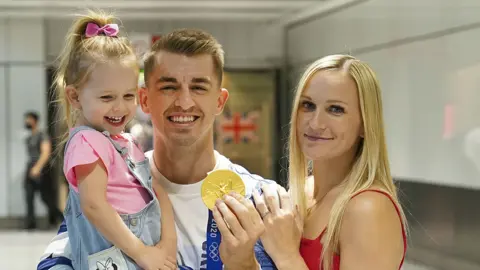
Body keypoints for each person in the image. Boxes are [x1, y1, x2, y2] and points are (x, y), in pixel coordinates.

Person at [38, 27, 278, 270]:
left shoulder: (262, 200)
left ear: (219, 101)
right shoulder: (113, 179)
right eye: (168, 87)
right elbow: (59, 258)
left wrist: (246, 264)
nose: (184, 102)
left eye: (198, 87)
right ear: (143, 100)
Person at [47, 11, 177, 270]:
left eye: (128, 96)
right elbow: (93, 205)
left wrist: (168, 245)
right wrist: (142, 252)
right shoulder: (87, 142)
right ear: (74, 97)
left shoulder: (125, 142)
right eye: (107, 98)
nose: (120, 108)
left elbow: (157, 191)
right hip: (114, 260)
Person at [253, 55, 408, 270]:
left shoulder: (367, 208)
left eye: (335, 109)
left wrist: (287, 256)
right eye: (307, 105)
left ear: (365, 124)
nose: (315, 123)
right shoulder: (303, 192)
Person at [23, 111, 63, 230]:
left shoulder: (42, 135)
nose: (26, 122)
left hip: (41, 168)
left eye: (28, 119)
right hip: (30, 167)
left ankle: (61, 219)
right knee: (28, 196)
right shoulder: (29, 137)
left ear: (35, 120)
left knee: (46, 197)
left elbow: (46, 153)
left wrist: (37, 168)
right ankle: (30, 224)